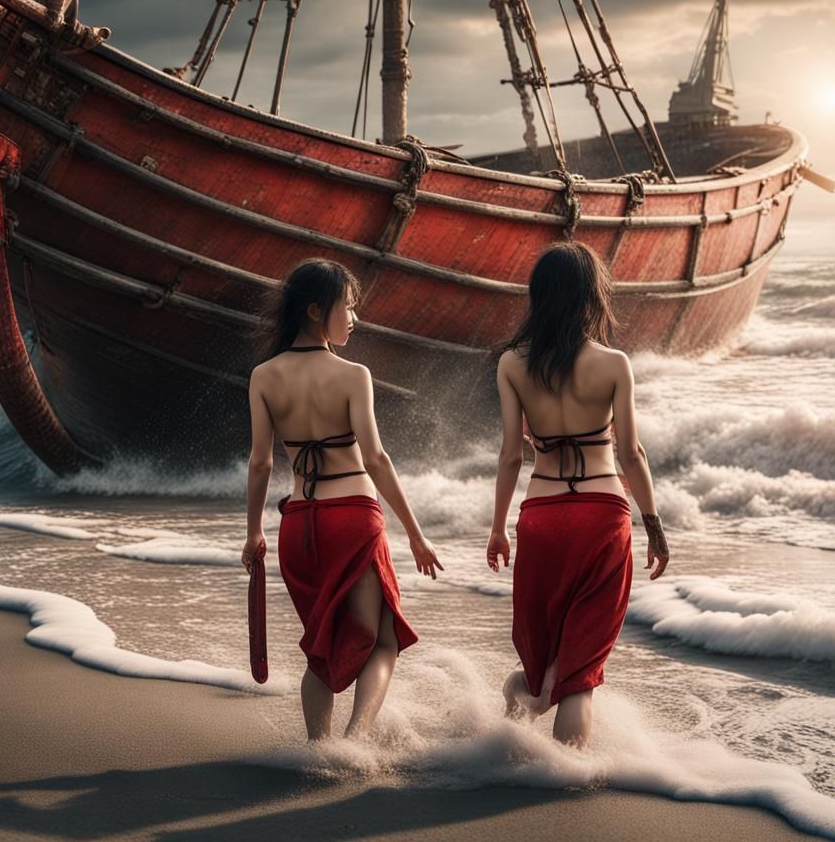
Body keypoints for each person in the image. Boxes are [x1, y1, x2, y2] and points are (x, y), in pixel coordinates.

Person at [242, 258, 442, 741]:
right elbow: (376, 458)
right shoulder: (354, 375)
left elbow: (262, 464)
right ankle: (353, 743)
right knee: (383, 640)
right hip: (352, 518)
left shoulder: (264, 376)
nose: (353, 318)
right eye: (347, 307)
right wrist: (415, 534)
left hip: (298, 528)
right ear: (316, 311)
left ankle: (319, 748)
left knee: (323, 646)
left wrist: (253, 534)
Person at [486, 241, 670, 748]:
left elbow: (508, 457)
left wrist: (498, 528)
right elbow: (631, 455)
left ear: (538, 296)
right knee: (579, 674)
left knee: (542, 657)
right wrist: (654, 528)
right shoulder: (614, 364)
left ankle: (506, 749)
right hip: (602, 515)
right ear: (592, 296)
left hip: (541, 515)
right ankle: (562, 780)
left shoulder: (512, 364)